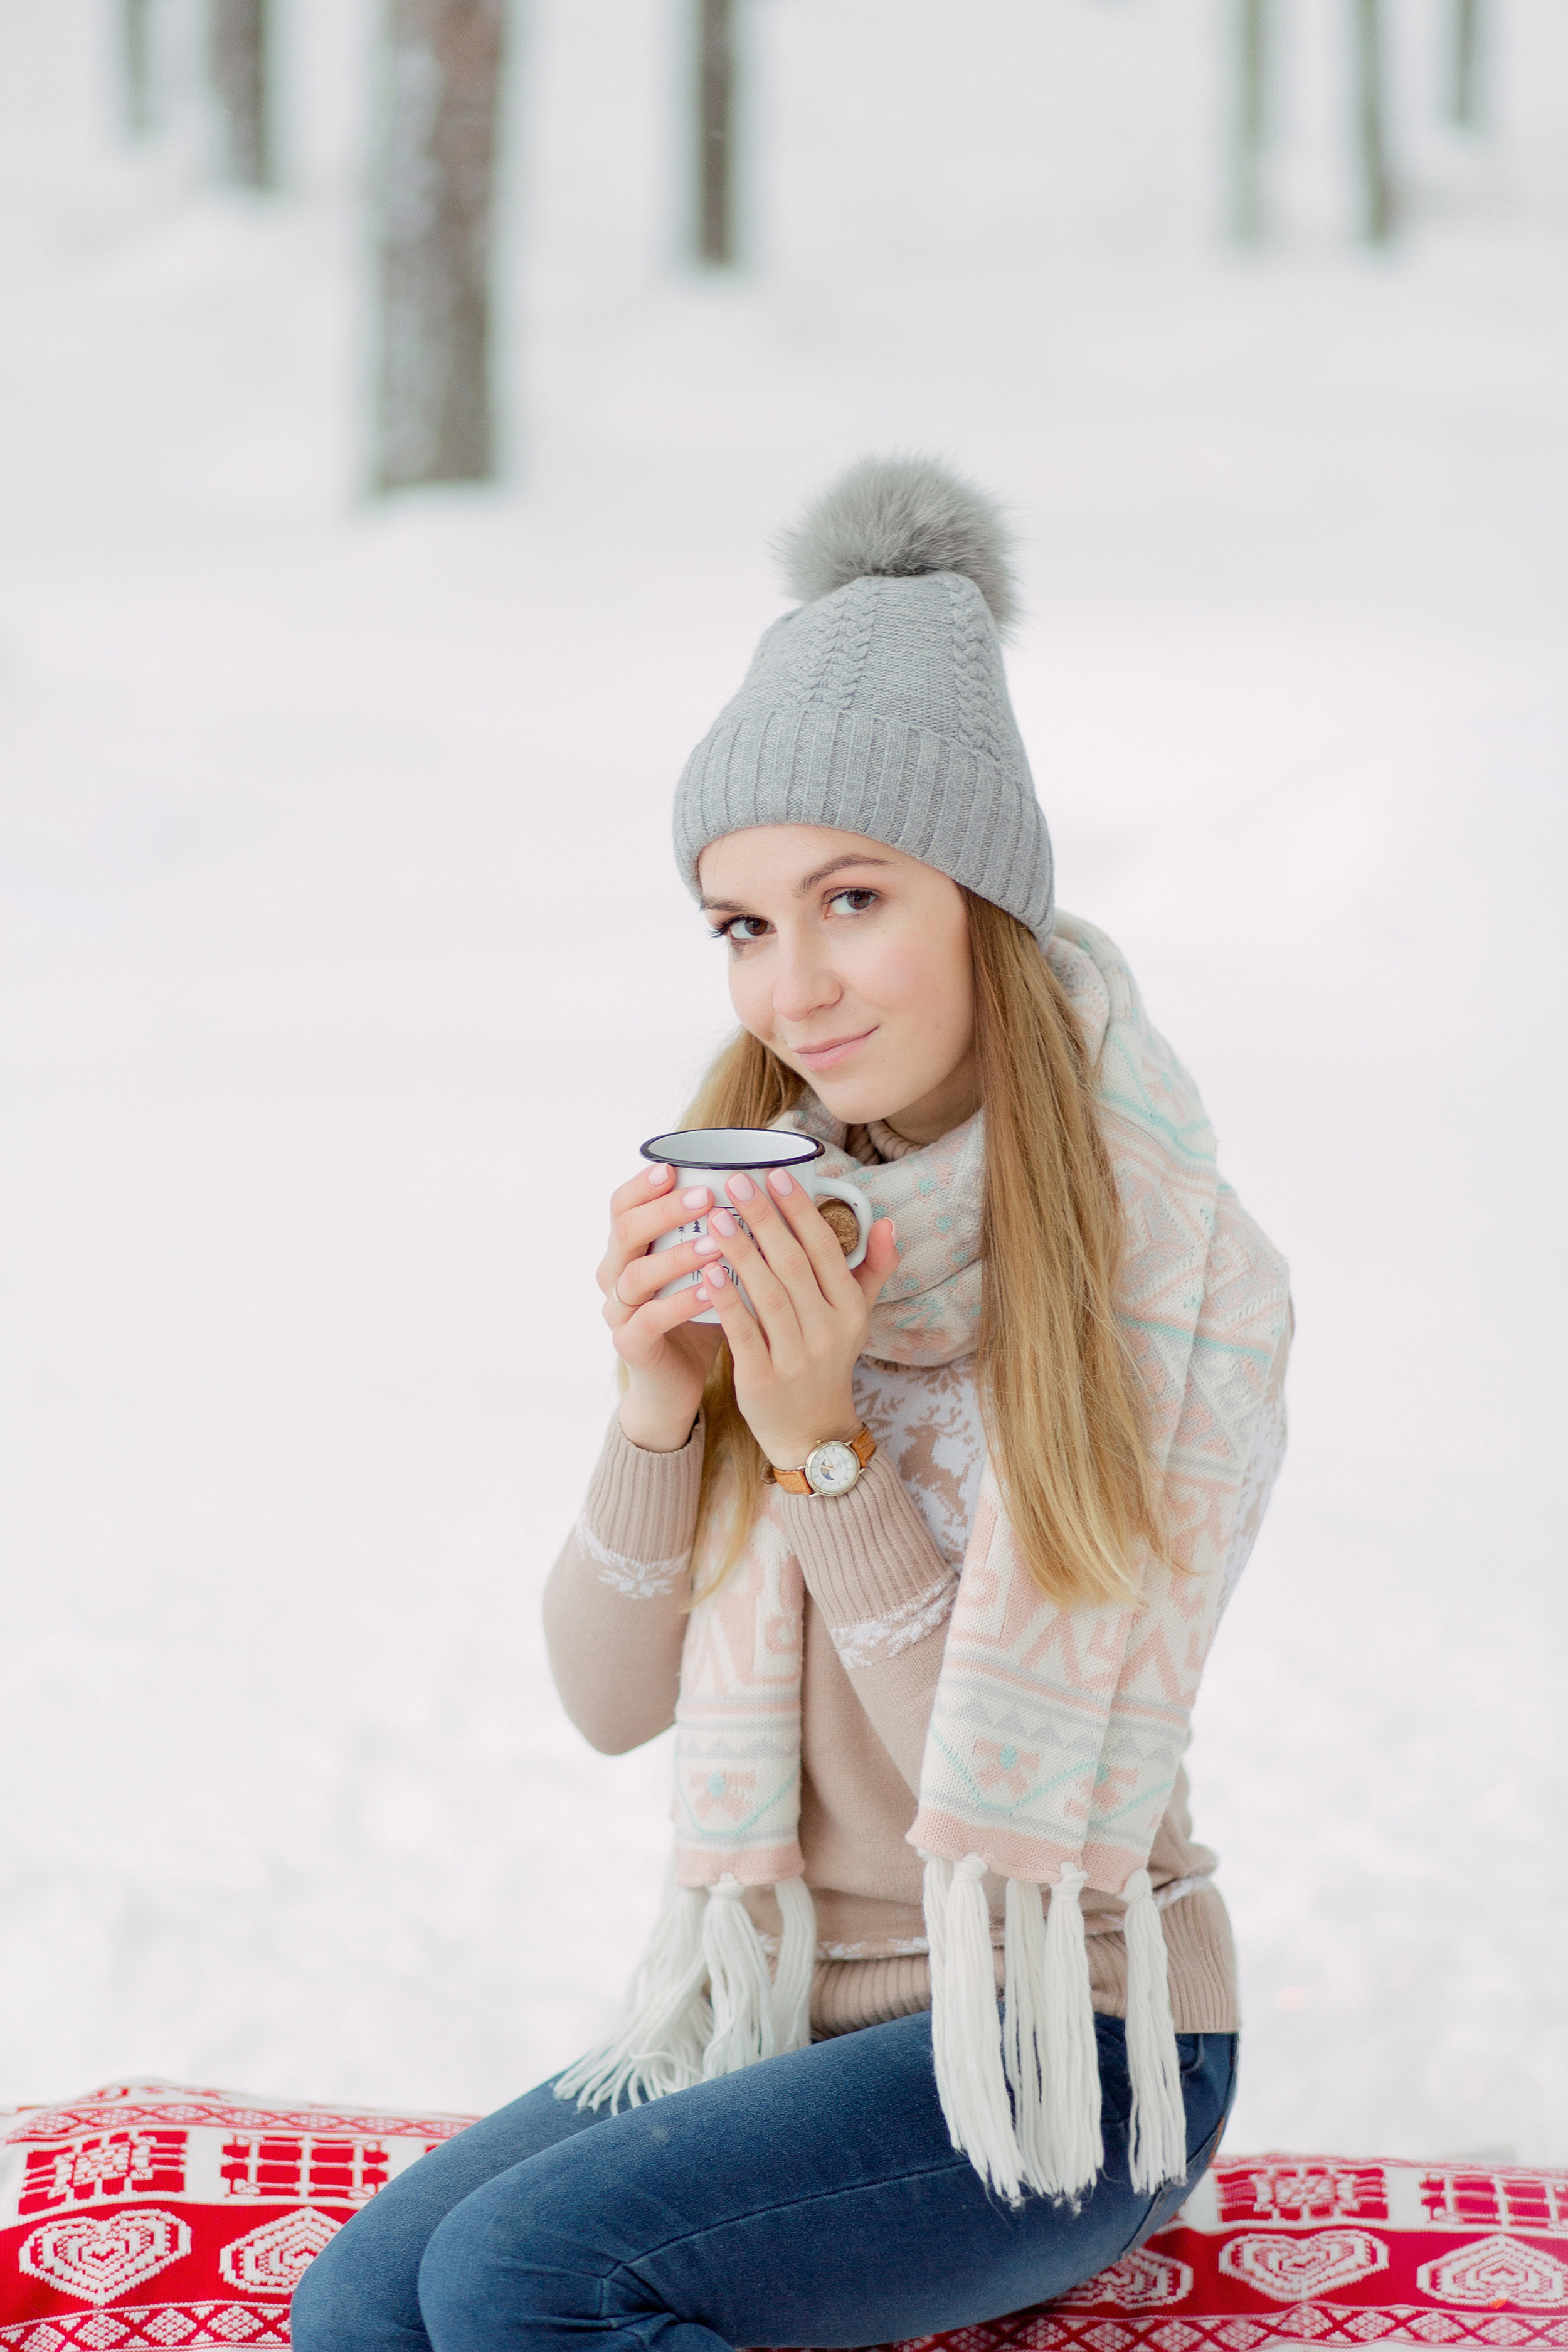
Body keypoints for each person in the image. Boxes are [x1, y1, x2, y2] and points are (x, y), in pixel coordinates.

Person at [292, 455, 1291, 2352]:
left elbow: (1007, 1804)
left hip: (1054, 2038)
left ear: (979, 896)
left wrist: (827, 1443)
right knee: (365, 2303)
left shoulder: (1174, 1284)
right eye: (742, 925)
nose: (796, 988)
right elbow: (603, 1707)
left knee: (525, 2280)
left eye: (850, 898)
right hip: (774, 2015)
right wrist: (660, 1410)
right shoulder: (792, 1203)